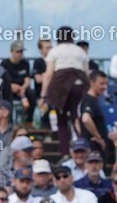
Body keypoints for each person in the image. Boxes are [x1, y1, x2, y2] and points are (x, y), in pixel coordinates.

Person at [38, 27, 89, 156]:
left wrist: (43, 94)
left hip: (60, 88)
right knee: (76, 117)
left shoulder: (55, 51)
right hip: (79, 86)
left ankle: (65, 152)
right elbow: (86, 73)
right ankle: (83, 145)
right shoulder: (80, 52)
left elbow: (48, 74)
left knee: (61, 121)